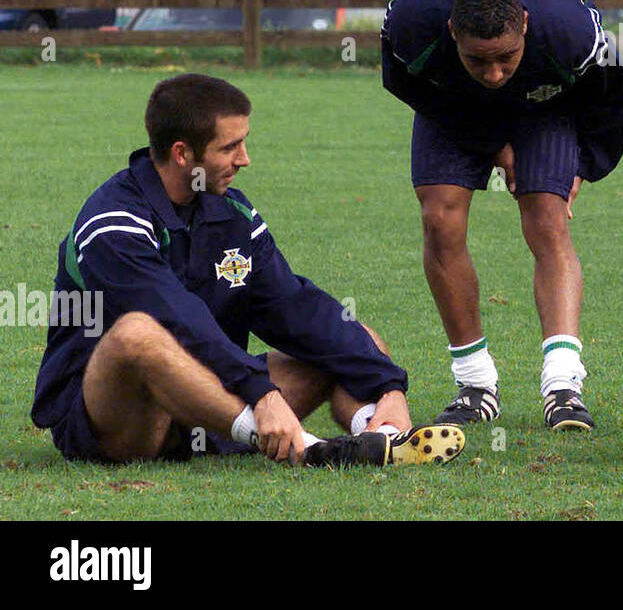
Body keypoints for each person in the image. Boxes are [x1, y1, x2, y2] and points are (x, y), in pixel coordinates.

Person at [31, 74, 463, 468]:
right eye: (229, 147)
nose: (245, 159)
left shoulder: (231, 212)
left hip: (207, 409)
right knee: (136, 335)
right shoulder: (114, 223)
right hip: (119, 423)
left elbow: (294, 306)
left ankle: (381, 439)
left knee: (354, 339)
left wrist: (389, 387)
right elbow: (180, 322)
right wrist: (263, 394)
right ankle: (306, 448)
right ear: (182, 153)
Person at [382, 0, 623, 431]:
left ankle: (563, 386)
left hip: (546, 103)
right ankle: (475, 385)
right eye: (479, 59)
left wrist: (583, 164)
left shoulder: (571, 31)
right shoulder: (413, 20)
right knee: (439, 219)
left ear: (525, 24)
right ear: (452, 32)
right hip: (450, 101)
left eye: (506, 57)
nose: (495, 73)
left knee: (547, 218)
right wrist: (492, 143)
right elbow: (404, 82)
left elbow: (616, 98)